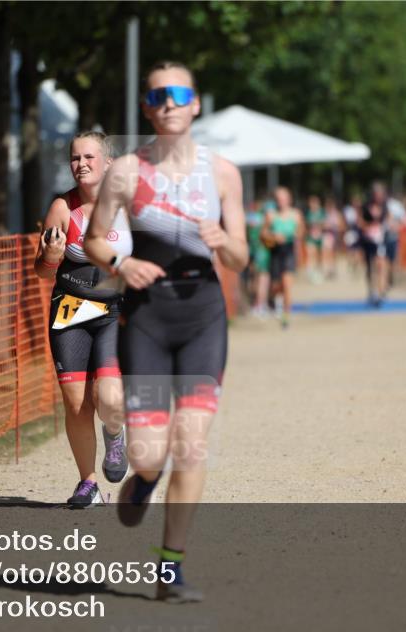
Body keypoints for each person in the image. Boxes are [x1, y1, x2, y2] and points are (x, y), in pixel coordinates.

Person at [84, 60, 248, 602]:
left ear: (196, 103)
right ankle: (145, 479)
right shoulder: (126, 172)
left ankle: (170, 569)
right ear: (146, 108)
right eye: (158, 96)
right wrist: (119, 265)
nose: (169, 103)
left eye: (179, 93)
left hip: (202, 315)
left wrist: (222, 240)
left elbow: (242, 259)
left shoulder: (222, 172)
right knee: (150, 453)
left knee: (192, 445)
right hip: (148, 320)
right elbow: (94, 240)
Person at [35, 131, 131, 508]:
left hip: (114, 311)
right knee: (76, 404)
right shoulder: (62, 208)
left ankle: (115, 433)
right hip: (70, 311)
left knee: (107, 397)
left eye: (90, 157)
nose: (82, 165)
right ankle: (87, 484)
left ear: (108, 163)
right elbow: (42, 272)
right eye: (75, 158)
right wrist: (52, 256)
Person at [264, 186, 302, 327]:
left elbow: (301, 232)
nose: (282, 201)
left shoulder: (296, 214)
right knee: (275, 286)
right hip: (275, 252)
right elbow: (263, 234)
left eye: (284, 198)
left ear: (289, 199)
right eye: (279, 199)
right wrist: (273, 236)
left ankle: (286, 316)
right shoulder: (271, 215)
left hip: (289, 251)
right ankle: (273, 299)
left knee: (287, 284)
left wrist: (294, 235)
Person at [360, 182, 390, 306]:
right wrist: (368, 227)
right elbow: (360, 221)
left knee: (380, 265)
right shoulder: (366, 206)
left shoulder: (384, 206)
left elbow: (388, 219)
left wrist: (384, 227)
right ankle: (371, 290)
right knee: (369, 267)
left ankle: (380, 291)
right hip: (368, 240)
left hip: (380, 240)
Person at [245, 197, 272, 318]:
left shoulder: (249, 218)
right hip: (261, 250)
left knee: (254, 278)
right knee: (262, 279)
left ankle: (257, 303)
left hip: (252, 249)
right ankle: (260, 304)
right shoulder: (263, 218)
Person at [304, 195, 325, 284]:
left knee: (318, 255)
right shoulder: (308, 213)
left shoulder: (321, 212)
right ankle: (310, 271)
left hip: (319, 237)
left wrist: (319, 225)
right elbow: (305, 224)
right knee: (310, 253)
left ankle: (318, 270)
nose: (313, 205)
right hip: (310, 237)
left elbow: (324, 223)